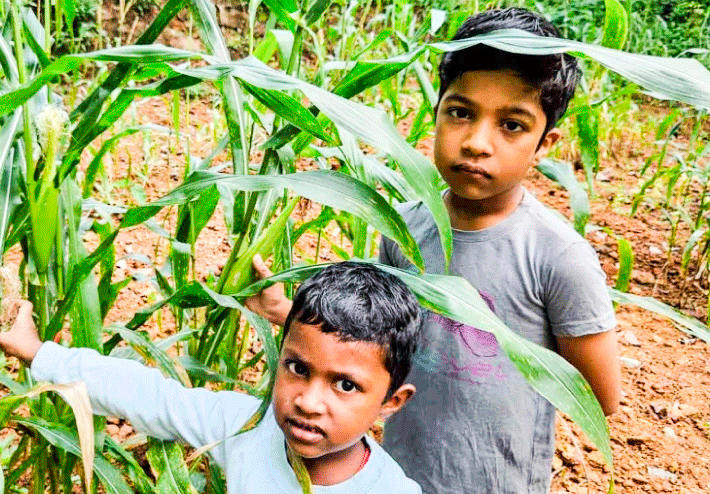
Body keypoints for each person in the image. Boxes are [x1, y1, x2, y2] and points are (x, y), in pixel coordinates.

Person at [244, 7, 622, 494]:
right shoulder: (405, 226)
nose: (477, 143)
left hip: (496, 483)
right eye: (461, 113)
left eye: (511, 125)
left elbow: (601, 396)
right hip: (398, 472)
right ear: (438, 111)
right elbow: (373, 340)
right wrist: (286, 311)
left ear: (544, 143)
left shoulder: (557, 258)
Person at [0, 262, 424, 493]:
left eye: (345, 385)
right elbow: (150, 397)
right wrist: (41, 354)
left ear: (391, 402)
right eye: (297, 368)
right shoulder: (249, 428)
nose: (308, 400)